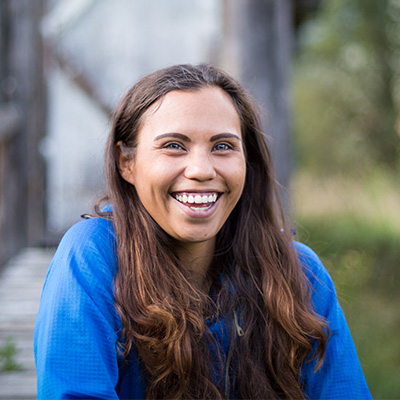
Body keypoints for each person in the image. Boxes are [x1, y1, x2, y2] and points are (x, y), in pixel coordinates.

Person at [34, 64, 372, 400]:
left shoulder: (300, 273)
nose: (200, 170)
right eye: (174, 146)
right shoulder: (92, 257)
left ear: (247, 160)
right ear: (127, 163)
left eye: (223, 146)